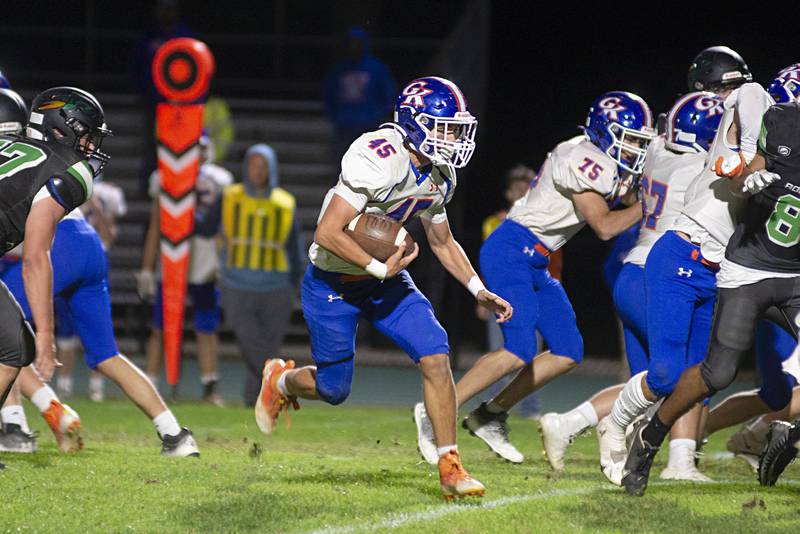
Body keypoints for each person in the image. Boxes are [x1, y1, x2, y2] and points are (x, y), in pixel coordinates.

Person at [255, 77, 512, 500]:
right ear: (415, 123)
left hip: (385, 278)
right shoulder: (378, 154)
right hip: (332, 281)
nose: (453, 139)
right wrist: (377, 265)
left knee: (435, 351)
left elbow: (442, 241)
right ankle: (281, 381)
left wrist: (476, 288)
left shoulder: (440, 174)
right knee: (334, 390)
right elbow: (326, 232)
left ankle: (451, 466)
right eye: (444, 127)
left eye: (456, 129)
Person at [414, 91, 655, 465]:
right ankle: (436, 411)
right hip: (512, 249)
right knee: (518, 349)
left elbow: (623, 194)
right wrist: (653, 204)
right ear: (606, 132)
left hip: (537, 259)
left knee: (568, 351)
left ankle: (490, 415)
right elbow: (605, 226)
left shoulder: (599, 158)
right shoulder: (581, 157)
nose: (635, 148)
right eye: (631, 139)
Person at [539, 92, 724, 478]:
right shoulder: (703, 168)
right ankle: (677, 460)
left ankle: (606, 446)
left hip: (635, 271)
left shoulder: (657, 151)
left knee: (649, 383)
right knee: (683, 373)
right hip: (666, 276)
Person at [621, 105, 800, 496]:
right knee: (718, 373)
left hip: (796, 277)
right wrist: (749, 182)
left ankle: (788, 434)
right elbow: (741, 179)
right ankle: (649, 439)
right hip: (749, 270)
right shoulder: (785, 124)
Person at [0, 207, 200, 456]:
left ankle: (16, 428)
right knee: (107, 356)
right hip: (88, 241)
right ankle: (175, 435)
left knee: (4, 335)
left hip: (58, 242)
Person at [0, 86, 113, 469]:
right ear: (62, 129)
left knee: (14, 346)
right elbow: (35, 256)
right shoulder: (70, 169)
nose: (90, 144)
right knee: (18, 344)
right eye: (86, 133)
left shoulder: (12, 145)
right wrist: (48, 334)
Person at [138, 133, 232, 405]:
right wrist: (146, 267)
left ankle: (209, 386)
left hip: (204, 262)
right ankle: (151, 384)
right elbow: (156, 224)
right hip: (171, 259)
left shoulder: (220, 180)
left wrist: (223, 261)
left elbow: (223, 229)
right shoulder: (164, 176)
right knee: (161, 326)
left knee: (206, 327)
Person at [218, 143, 303, 407]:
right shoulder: (230, 196)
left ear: (271, 169)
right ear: (245, 166)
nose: (257, 170)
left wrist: (296, 285)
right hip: (236, 284)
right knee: (249, 342)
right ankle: (280, 383)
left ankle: (255, 401)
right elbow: (204, 225)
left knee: (267, 347)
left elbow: (294, 248)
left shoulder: (284, 203)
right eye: (253, 164)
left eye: (263, 165)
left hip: (276, 287)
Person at [477, 165, 543, 419]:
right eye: (516, 187)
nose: (521, 191)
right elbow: (489, 261)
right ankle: (493, 407)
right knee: (498, 353)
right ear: (508, 192)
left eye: (526, 186)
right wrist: (481, 295)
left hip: (532, 298)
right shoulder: (494, 223)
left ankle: (530, 409)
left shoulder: (544, 223)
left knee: (531, 356)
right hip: (500, 298)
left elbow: (551, 264)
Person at [55, 179, 127, 401]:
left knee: (95, 327)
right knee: (64, 329)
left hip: (95, 257)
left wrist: (94, 205)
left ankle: (96, 385)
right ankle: (64, 384)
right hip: (67, 256)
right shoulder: (61, 184)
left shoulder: (108, 193)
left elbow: (109, 236)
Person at [324, 26, 396, 157]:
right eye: (351, 42)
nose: (354, 46)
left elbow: (388, 93)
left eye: (357, 42)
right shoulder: (340, 69)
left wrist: (378, 115)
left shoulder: (376, 68)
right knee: (343, 159)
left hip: (370, 123)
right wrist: (335, 116)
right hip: (344, 125)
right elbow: (329, 94)